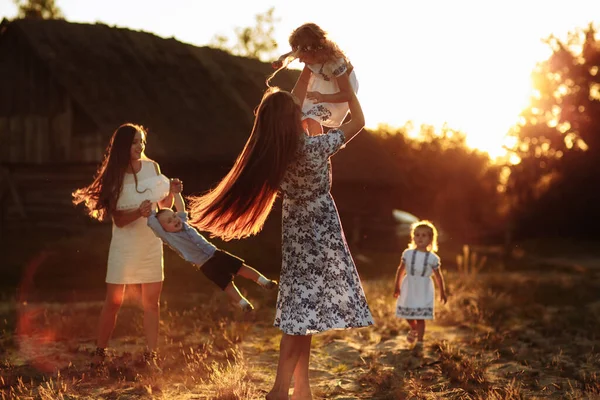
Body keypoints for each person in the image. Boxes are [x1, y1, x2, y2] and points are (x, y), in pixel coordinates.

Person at [186, 86, 373, 400]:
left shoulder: (274, 155)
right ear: (290, 119)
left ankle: (301, 387)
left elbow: (295, 110)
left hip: (297, 233)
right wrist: (343, 89)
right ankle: (279, 390)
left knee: (303, 312)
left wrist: (307, 104)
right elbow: (360, 121)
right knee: (300, 316)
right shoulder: (314, 148)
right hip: (321, 232)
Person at [72, 123, 176, 369]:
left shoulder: (153, 167)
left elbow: (164, 206)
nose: (139, 146)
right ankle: (100, 352)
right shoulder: (115, 175)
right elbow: (118, 219)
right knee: (114, 301)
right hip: (124, 246)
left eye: (141, 141)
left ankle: (151, 356)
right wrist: (139, 212)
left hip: (150, 243)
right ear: (123, 146)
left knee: (152, 303)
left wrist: (172, 191)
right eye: (134, 142)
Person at [145, 184, 278, 312]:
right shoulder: (168, 237)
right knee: (226, 284)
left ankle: (264, 281)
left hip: (215, 253)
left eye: (173, 217)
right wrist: (149, 203)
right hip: (205, 264)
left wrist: (176, 192)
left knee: (240, 267)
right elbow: (152, 221)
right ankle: (243, 303)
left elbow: (180, 208)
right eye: (169, 221)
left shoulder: (184, 223)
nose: (175, 220)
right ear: (163, 229)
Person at [268, 22, 359, 137]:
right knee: (301, 116)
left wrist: (323, 97)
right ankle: (303, 142)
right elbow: (303, 82)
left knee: (312, 116)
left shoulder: (335, 62)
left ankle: (317, 145)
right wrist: (294, 106)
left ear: (315, 50)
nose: (301, 61)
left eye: (303, 57)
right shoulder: (308, 55)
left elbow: (347, 94)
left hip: (342, 89)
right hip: (323, 82)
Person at [393, 220, 448, 348]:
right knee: (407, 314)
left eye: (424, 235)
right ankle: (414, 329)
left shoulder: (433, 258)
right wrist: (397, 286)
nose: (420, 238)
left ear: (431, 239)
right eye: (417, 235)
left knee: (420, 317)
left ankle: (420, 341)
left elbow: (439, 277)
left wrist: (442, 292)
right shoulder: (408, 253)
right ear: (413, 237)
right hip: (409, 286)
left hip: (423, 288)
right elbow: (401, 270)